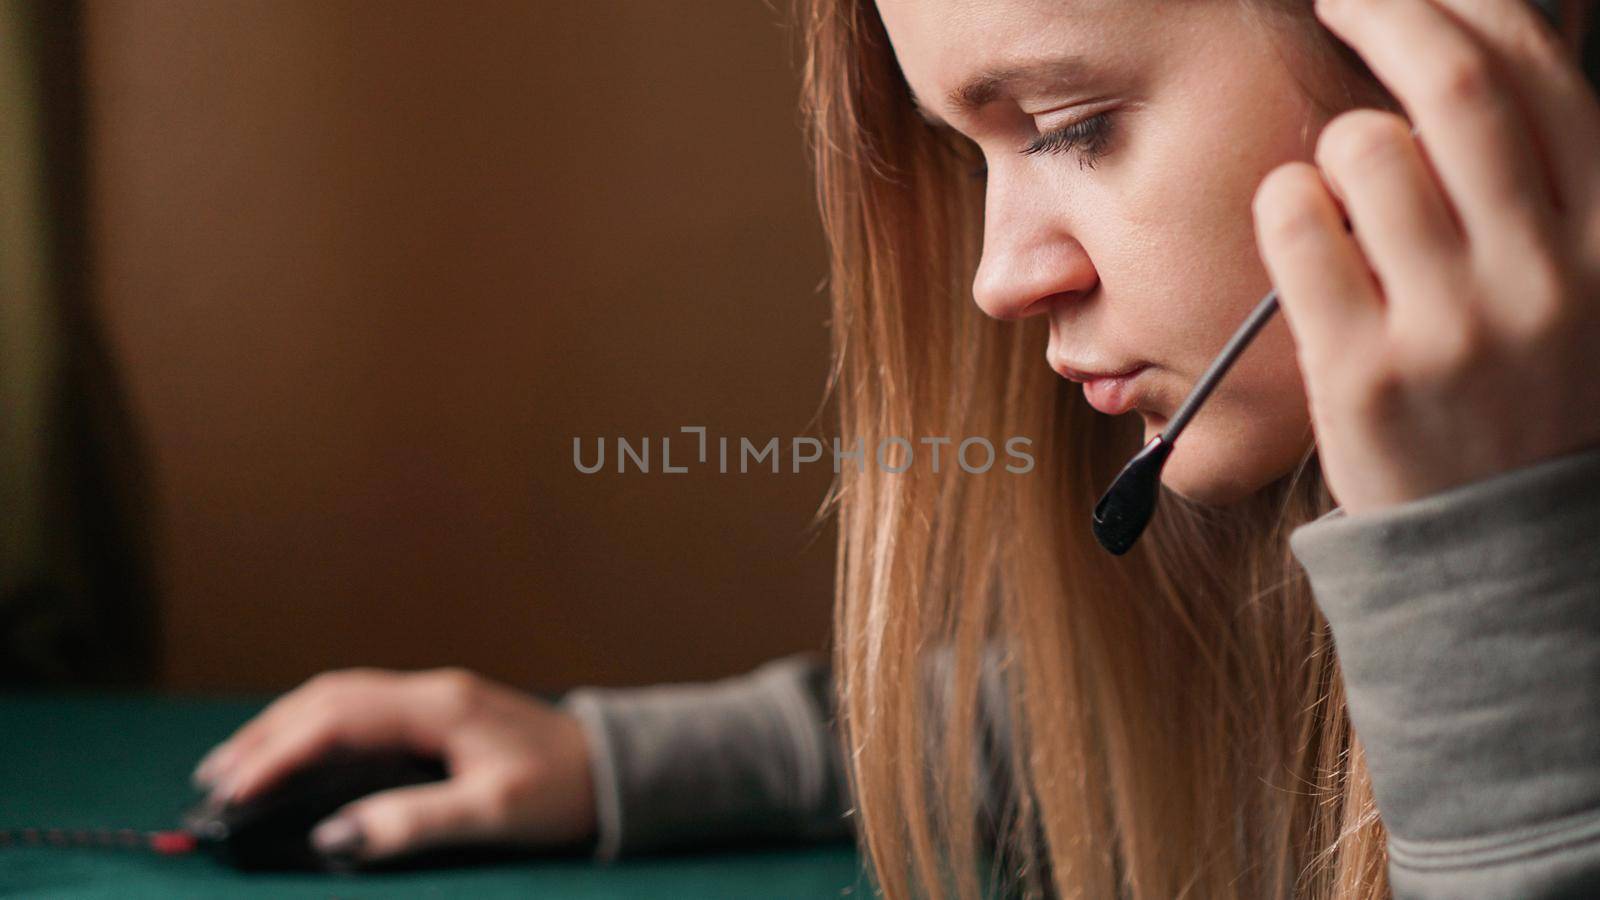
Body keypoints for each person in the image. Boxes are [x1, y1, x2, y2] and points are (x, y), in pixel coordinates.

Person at [191, 1, 1600, 896]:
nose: (1000, 276)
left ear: (1459, 63)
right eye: (970, 152)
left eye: (1074, 126)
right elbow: (1121, 735)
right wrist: (602, 760)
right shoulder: (1262, 542)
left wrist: (1487, 569)